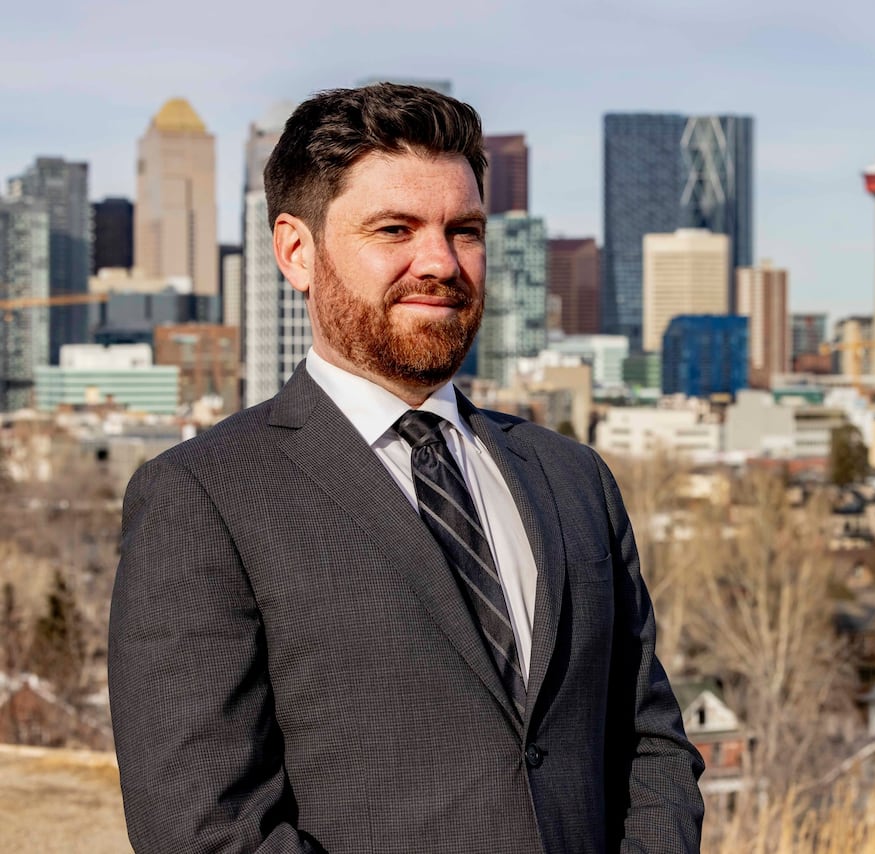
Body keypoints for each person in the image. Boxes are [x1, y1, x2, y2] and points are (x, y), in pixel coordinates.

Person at [108, 82, 704, 853]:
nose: (441, 262)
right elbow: (205, 828)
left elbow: (649, 745)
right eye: (395, 229)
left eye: (465, 230)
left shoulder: (572, 478)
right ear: (296, 250)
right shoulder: (203, 498)